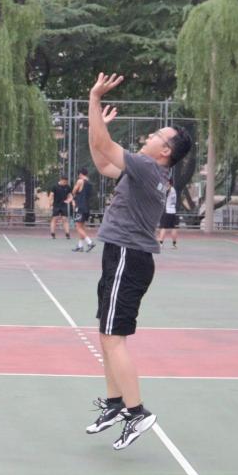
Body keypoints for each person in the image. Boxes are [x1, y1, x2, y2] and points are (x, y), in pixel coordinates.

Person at [84, 72, 192, 451]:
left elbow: (104, 144)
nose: (149, 136)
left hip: (128, 257)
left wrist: (94, 99)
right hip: (123, 255)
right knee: (106, 334)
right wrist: (96, 120)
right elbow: (102, 160)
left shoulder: (148, 168)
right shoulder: (145, 171)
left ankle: (137, 412)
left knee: (114, 339)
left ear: (165, 151)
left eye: (157, 135)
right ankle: (116, 403)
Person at [71, 169, 96, 252]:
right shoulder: (90, 183)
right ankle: (80, 246)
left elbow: (73, 191)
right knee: (81, 227)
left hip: (80, 207)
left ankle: (90, 242)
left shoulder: (80, 181)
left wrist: (74, 197)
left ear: (80, 174)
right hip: (87, 207)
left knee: (78, 227)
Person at [157, 178, 180, 249]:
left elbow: (158, 188)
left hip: (167, 211)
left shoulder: (168, 189)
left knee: (163, 227)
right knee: (173, 228)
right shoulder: (174, 190)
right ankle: (174, 244)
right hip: (173, 211)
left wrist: (158, 183)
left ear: (168, 183)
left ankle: (161, 243)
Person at [49, 175, 72, 240]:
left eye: (66, 182)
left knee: (65, 219)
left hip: (64, 205)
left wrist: (69, 200)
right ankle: (53, 233)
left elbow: (70, 196)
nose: (65, 183)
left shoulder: (68, 187)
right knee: (55, 218)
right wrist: (50, 203)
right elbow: (51, 195)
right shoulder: (55, 186)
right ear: (61, 180)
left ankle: (67, 234)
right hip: (56, 205)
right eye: (64, 182)